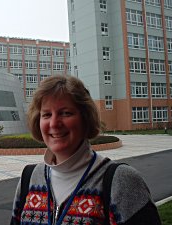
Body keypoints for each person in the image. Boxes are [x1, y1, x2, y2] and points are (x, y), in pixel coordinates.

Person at [10, 75, 161, 225]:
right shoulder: (29, 179)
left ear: (85, 118)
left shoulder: (122, 181)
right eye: (47, 114)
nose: (54, 123)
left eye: (65, 113)